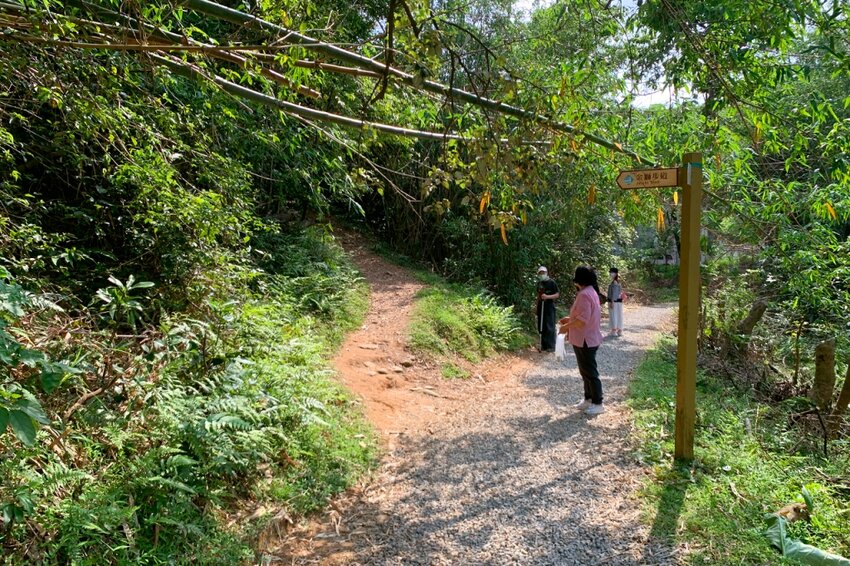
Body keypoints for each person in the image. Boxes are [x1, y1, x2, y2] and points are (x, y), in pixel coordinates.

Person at [560, 266, 605, 415]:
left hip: (586, 339)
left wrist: (566, 327)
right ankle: (588, 398)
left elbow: (582, 320)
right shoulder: (591, 292)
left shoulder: (584, 294)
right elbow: (584, 315)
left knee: (590, 372)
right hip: (587, 338)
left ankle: (598, 403)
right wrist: (570, 319)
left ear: (578, 280)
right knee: (585, 371)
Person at [535, 266, 560, 352]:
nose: (542, 274)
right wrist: (536, 307)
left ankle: (551, 346)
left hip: (549, 306)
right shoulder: (539, 283)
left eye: (543, 273)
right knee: (541, 325)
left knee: (549, 325)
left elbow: (557, 295)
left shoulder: (552, 282)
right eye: (540, 273)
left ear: (546, 273)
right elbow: (538, 296)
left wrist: (547, 297)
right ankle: (543, 345)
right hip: (541, 306)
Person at [607, 267, 624, 336]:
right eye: (610, 272)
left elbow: (614, 293)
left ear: (616, 273)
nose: (611, 274)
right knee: (619, 315)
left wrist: (612, 302)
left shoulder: (614, 282)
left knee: (613, 315)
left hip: (614, 301)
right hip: (618, 301)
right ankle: (619, 330)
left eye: (612, 272)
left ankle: (614, 330)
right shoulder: (618, 281)